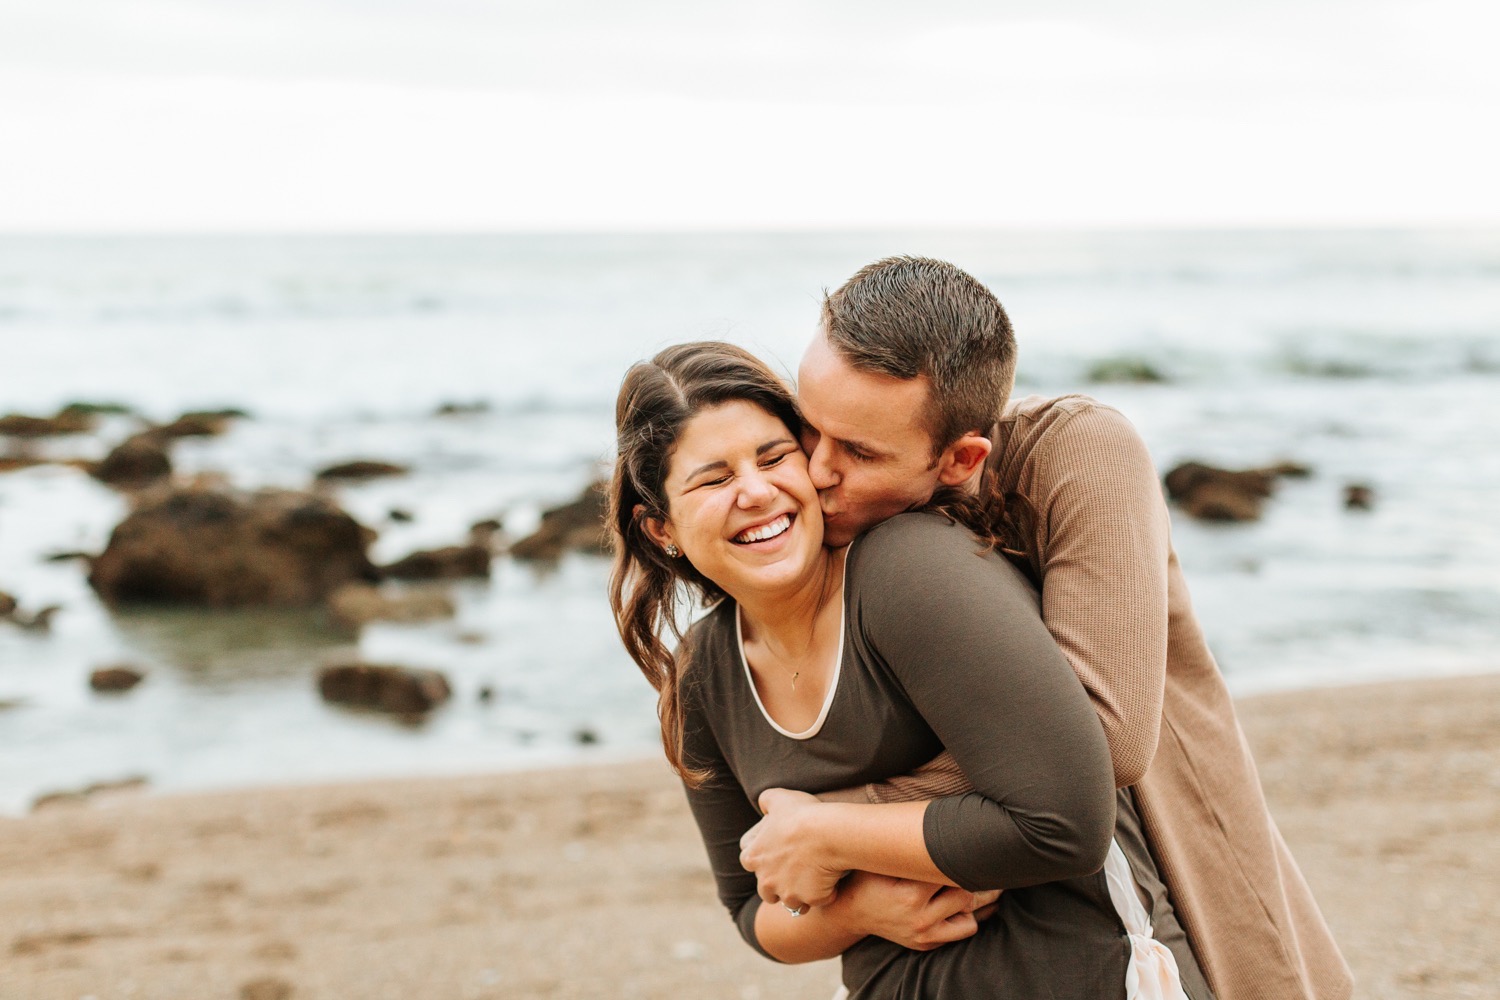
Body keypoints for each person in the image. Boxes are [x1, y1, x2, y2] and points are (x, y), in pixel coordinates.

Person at [778, 256, 1352, 1000]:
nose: (815, 473)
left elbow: (1101, 738)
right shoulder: (821, 513)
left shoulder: (1078, 451)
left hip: (1157, 858)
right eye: (807, 425)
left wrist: (843, 822)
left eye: (857, 452)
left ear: (961, 458)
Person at [607, 341, 1212, 999]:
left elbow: (1065, 824)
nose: (756, 491)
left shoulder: (905, 571)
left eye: (774, 456)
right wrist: (856, 912)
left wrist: (827, 834)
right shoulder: (702, 674)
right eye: (714, 478)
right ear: (660, 527)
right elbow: (752, 911)